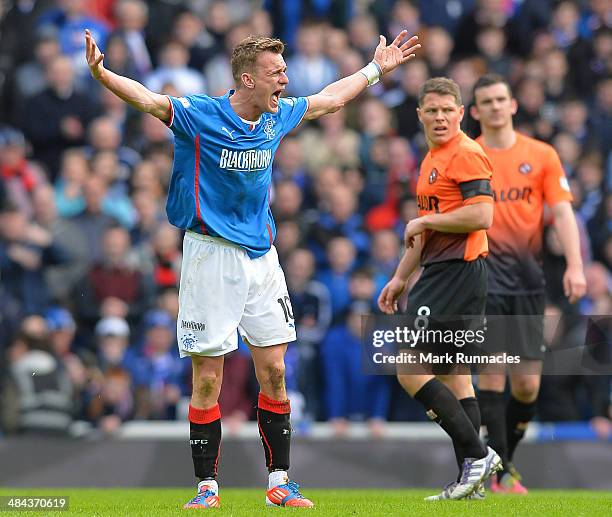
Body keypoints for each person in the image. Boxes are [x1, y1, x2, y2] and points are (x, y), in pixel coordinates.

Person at [85, 27, 420, 509]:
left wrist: (375, 70)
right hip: (210, 255)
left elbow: (328, 100)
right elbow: (147, 99)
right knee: (207, 380)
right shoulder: (199, 115)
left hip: (263, 257)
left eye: (284, 71)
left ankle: (279, 482)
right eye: (276, 72)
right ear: (246, 79)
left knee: (277, 372)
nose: (285, 79)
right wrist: (102, 73)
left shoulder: (276, 116)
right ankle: (207, 487)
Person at [378, 77, 500, 501]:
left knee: (408, 368)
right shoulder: (432, 158)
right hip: (443, 270)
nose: (440, 117)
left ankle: (478, 454)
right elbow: (424, 232)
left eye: (448, 109)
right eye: (432, 110)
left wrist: (427, 222)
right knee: (455, 377)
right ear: (420, 115)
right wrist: (400, 276)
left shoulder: (465, 153)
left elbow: (482, 214)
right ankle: (472, 480)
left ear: (462, 113)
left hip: (457, 273)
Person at [470, 73, 587, 493]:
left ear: (514, 105)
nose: (496, 106)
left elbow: (563, 212)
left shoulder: (541, 155)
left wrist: (575, 265)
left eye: (502, 99)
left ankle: (502, 459)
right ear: (476, 111)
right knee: (493, 375)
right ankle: (500, 473)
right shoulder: (470, 155)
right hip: (483, 281)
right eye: (487, 101)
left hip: (528, 282)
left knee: (527, 384)